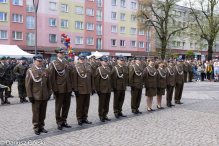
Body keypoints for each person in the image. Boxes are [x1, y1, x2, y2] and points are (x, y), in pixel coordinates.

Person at [25, 54, 51, 135]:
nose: (40, 62)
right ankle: (36, 127)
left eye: (41, 61)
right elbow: (28, 85)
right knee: (36, 112)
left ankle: (41, 126)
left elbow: (48, 83)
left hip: (44, 95)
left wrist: (49, 93)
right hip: (36, 95)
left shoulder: (45, 70)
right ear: (34, 61)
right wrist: (30, 96)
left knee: (43, 112)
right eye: (38, 61)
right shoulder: (30, 71)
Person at [49, 48, 73, 130]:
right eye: (60, 53)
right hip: (59, 88)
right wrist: (54, 90)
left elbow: (69, 75)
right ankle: (59, 122)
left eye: (63, 53)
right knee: (58, 106)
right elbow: (52, 78)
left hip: (67, 88)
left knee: (66, 105)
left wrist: (71, 86)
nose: (62, 54)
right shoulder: (53, 64)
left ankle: (64, 120)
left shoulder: (66, 62)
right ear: (57, 54)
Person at [73, 54, 95, 126]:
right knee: (79, 105)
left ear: (86, 59)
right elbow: (74, 79)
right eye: (80, 59)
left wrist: (92, 88)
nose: (82, 60)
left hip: (87, 89)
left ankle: (85, 118)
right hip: (80, 89)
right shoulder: (76, 67)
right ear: (78, 60)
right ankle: (79, 119)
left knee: (86, 105)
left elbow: (91, 78)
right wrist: (75, 89)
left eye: (83, 59)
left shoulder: (89, 66)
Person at [95, 56, 112, 122]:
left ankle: (105, 115)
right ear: (101, 62)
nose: (106, 62)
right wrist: (98, 90)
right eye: (105, 61)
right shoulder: (99, 69)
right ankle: (101, 116)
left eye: (107, 61)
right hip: (102, 89)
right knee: (101, 103)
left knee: (107, 103)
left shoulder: (108, 68)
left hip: (108, 89)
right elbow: (97, 81)